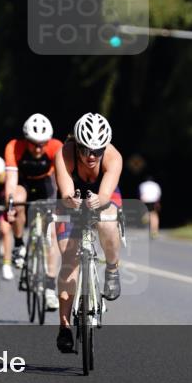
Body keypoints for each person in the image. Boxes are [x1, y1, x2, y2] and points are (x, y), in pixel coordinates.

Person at [53, 112, 123, 353]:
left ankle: (112, 269)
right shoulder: (64, 153)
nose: (91, 156)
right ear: (77, 145)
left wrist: (98, 201)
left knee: (107, 221)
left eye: (97, 151)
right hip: (71, 200)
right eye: (85, 150)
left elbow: (105, 195)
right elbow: (65, 191)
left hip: (102, 196)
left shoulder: (113, 157)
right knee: (69, 260)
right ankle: (64, 326)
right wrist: (71, 200)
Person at [4, 113, 62, 310]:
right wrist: (10, 207)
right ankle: (19, 245)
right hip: (24, 183)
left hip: (47, 184)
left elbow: (61, 179)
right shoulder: (14, 147)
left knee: (52, 233)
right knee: (17, 201)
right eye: (34, 144)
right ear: (26, 140)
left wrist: (62, 204)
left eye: (42, 144)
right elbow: (11, 181)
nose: (38, 148)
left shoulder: (56, 146)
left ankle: (50, 288)